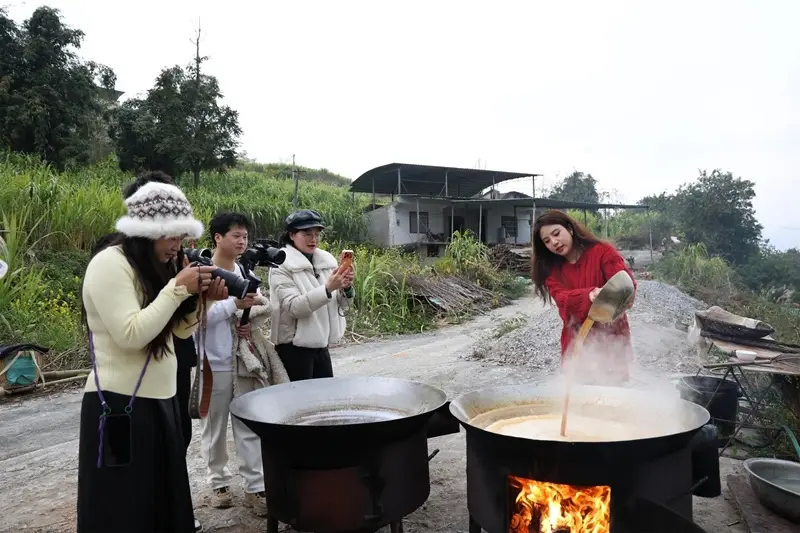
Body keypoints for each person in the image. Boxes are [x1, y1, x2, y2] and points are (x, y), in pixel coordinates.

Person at [77, 171, 227, 533]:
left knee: (161, 504)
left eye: (182, 235)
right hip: (117, 405)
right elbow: (131, 334)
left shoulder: (156, 266)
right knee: (123, 508)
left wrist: (199, 303)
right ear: (146, 232)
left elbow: (175, 330)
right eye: (172, 235)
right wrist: (177, 290)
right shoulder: (109, 263)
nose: (178, 244)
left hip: (160, 401)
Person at [196, 212, 268, 516]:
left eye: (245, 236)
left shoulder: (243, 270)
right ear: (218, 238)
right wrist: (232, 306)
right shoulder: (200, 272)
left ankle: (256, 487)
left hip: (241, 361)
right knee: (213, 427)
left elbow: (260, 304)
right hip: (211, 364)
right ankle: (219, 483)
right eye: (236, 236)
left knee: (248, 425)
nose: (242, 241)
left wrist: (245, 320)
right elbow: (196, 321)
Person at [531, 210, 637, 385]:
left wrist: (610, 295)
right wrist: (589, 295)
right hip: (577, 344)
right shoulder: (552, 271)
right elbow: (562, 300)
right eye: (547, 241)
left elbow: (626, 285)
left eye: (556, 234)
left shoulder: (603, 252)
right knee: (577, 401)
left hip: (612, 341)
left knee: (612, 399)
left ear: (570, 229)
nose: (554, 242)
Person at [269, 209, 355, 381]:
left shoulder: (326, 261)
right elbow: (294, 308)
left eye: (317, 234)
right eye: (307, 233)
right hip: (293, 348)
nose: (313, 239)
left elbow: (341, 305)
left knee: (323, 400)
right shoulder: (281, 265)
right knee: (298, 403)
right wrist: (328, 288)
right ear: (292, 235)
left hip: (321, 345)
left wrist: (346, 288)